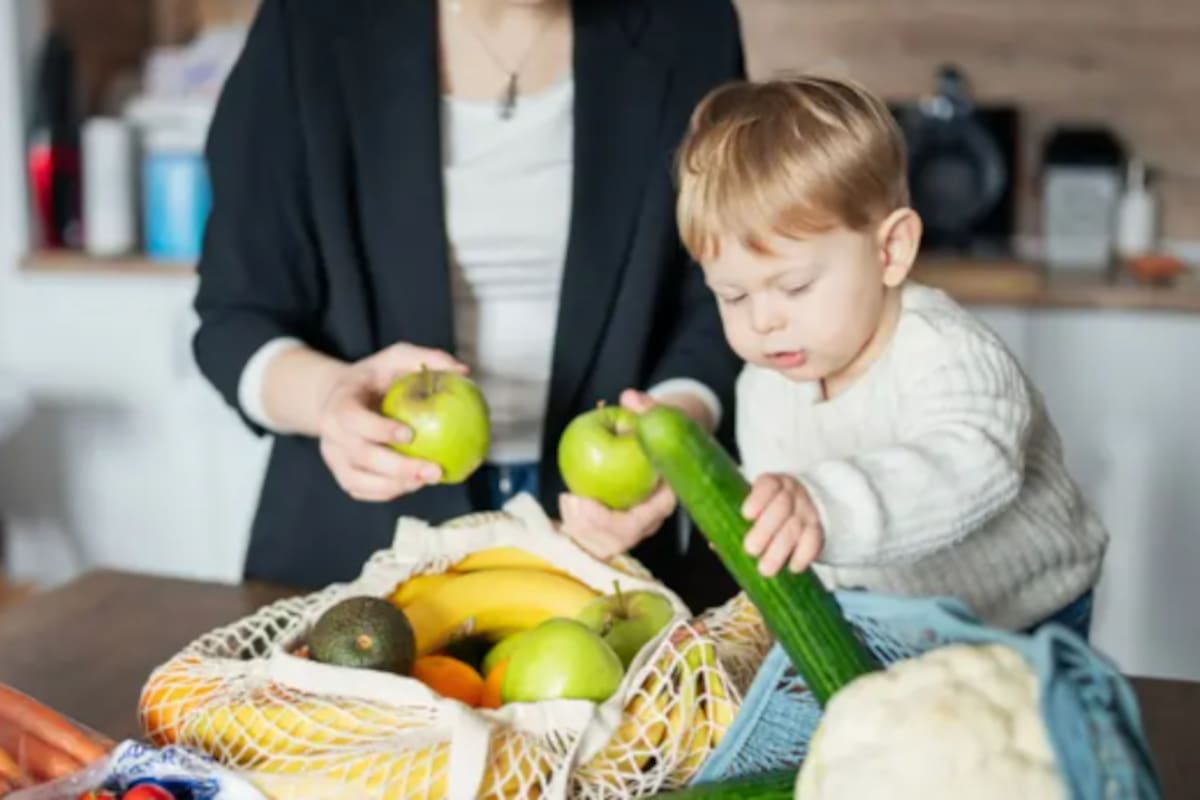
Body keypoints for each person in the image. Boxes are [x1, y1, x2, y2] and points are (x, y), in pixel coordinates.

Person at [191, 0, 745, 611]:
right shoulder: (309, 24)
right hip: (352, 552)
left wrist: (674, 429)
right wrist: (329, 397)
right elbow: (235, 315)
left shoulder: (691, 23)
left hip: (621, 548)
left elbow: (721, 297)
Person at [670, 74, 1109, 636]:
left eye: (796, 287)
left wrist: (824, 506)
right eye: (732, 295)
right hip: (897, 623)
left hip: (1023, 616)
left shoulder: (944, 347)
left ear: (891, 250)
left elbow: (971, 464)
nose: (763, 320)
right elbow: (792, 532)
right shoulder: (764, 384)